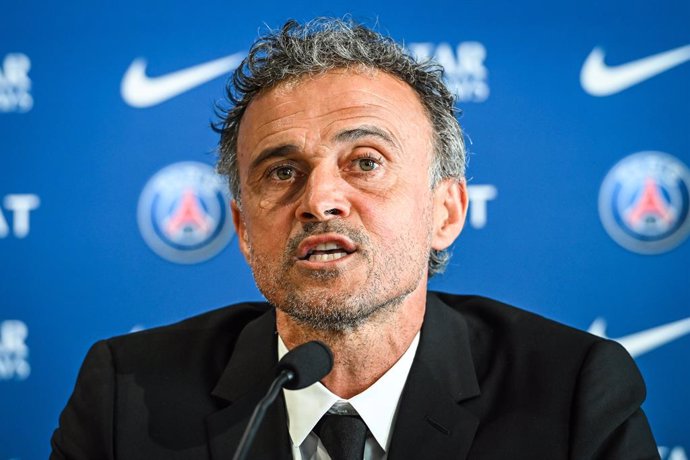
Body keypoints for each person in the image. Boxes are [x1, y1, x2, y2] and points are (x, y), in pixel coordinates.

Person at [51, 18, 659, 459]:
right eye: (282, 172)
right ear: (242, 228)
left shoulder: (573, 391)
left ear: (445, 212)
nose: (319, 201)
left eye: (365, 163)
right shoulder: (125, 395)